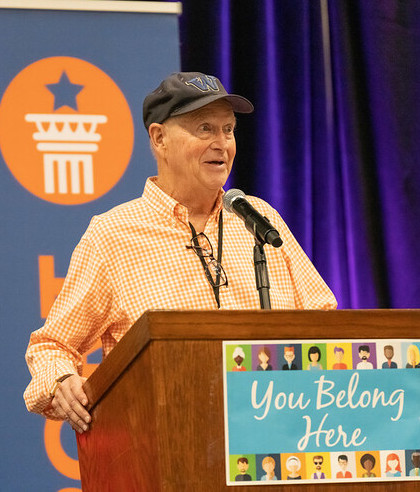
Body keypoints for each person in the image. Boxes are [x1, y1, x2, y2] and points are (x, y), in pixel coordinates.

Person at [24, 71, 337, 434]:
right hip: (172, 442)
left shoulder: (258, 218)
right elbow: (51, 346)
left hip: (279, 439)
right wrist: (62, 380)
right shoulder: (112, 235)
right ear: (160, 139)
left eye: (229, 130)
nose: (222, 143)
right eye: (205, 129)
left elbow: (325, 320)